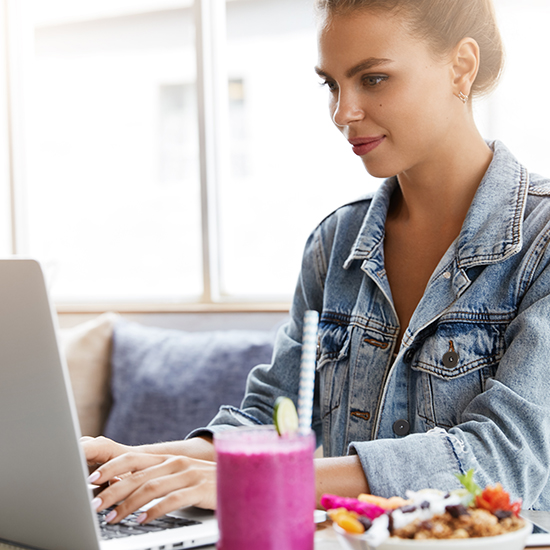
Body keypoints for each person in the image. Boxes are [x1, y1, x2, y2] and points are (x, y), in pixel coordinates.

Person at [83, 0, 550, 526]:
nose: (342, 112)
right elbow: (274, 419)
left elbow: (503, 462)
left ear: (461, 66)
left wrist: (248, 480)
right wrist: (146, 461)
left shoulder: (542, 243)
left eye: (372, 79)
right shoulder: (336, 244)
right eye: (331, 84)